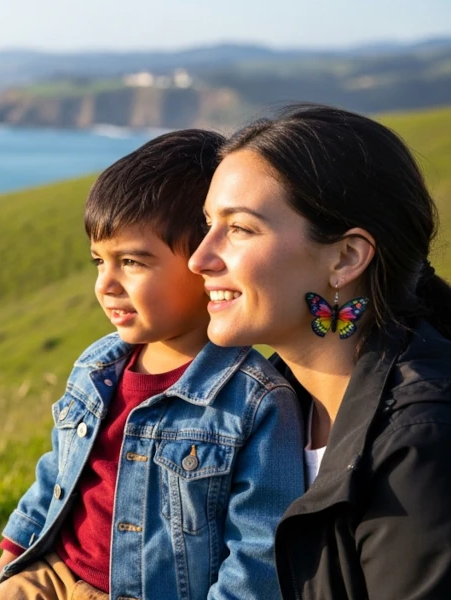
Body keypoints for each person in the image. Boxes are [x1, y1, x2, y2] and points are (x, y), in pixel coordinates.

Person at [0, 129, 305, 600]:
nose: (105, 284)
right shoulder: (98, 365)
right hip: (51, 572)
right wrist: (16, 549)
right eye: (98, 261)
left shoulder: (256, 402)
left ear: (207, 260)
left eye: (131, 261)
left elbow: (258, 547)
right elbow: (58, 468)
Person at [189, 103, 451, 599]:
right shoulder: (266, 403)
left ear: (346, 257)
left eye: (239, 228)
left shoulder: (422, 448)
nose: (200, 258)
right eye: (208, 224)